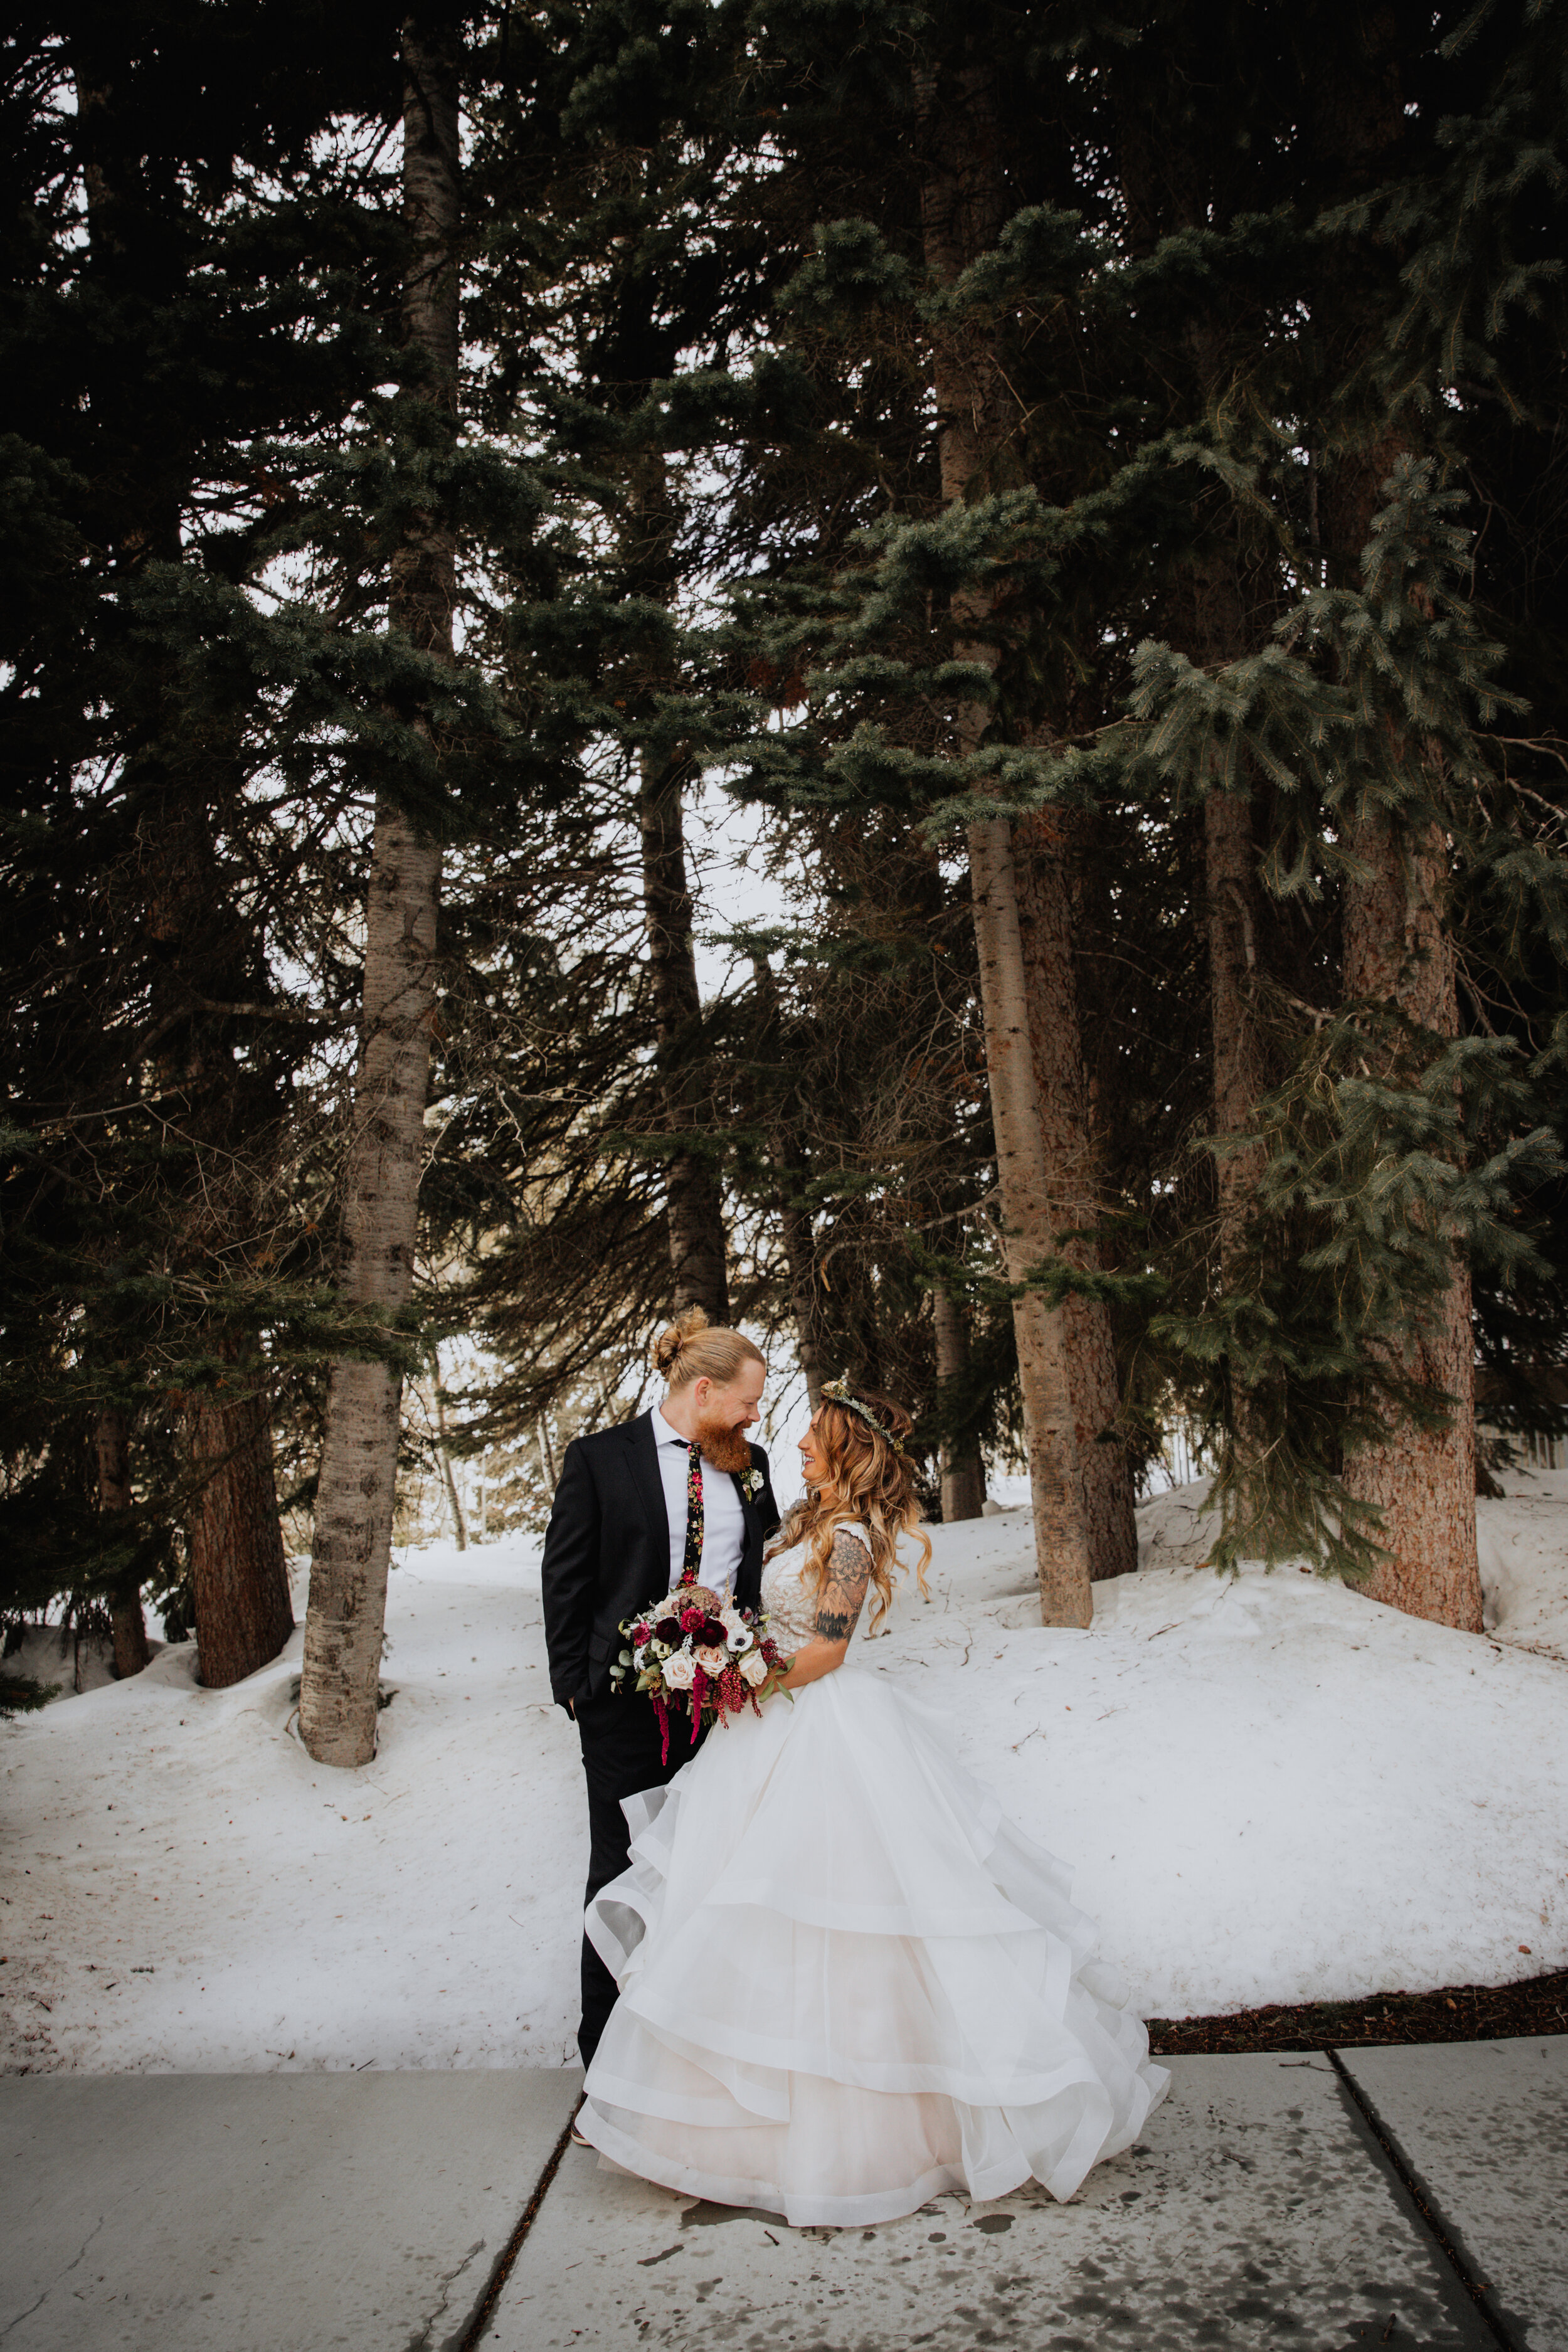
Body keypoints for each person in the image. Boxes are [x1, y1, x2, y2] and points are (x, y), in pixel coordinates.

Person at [575, 1377, 1169, 2228]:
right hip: (766, 1731)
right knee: (751, 1911)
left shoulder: (850, 1533)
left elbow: (827, 1649)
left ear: (850, 1450)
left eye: (816, 1436)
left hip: (818, 1726)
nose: (802, 1446)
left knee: (840, 1918)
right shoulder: (807, 1523)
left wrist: (745, 1675)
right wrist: (716, 1633)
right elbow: (774, 1618)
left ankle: (876, 2127)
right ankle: (743, 2126)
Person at [540, 1308, 781, 2069]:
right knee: (622, 1870)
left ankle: (696, 2058)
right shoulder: (599, 1460)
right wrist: (575, 1688)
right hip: (621, 1708)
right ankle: (608, 2065)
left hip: (726, 1706)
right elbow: (566, 1578)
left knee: (713, 1871)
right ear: (703, 1390)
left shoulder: (750, 1462)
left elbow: (761, 1569)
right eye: (746, 1402)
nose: (754, 1416)